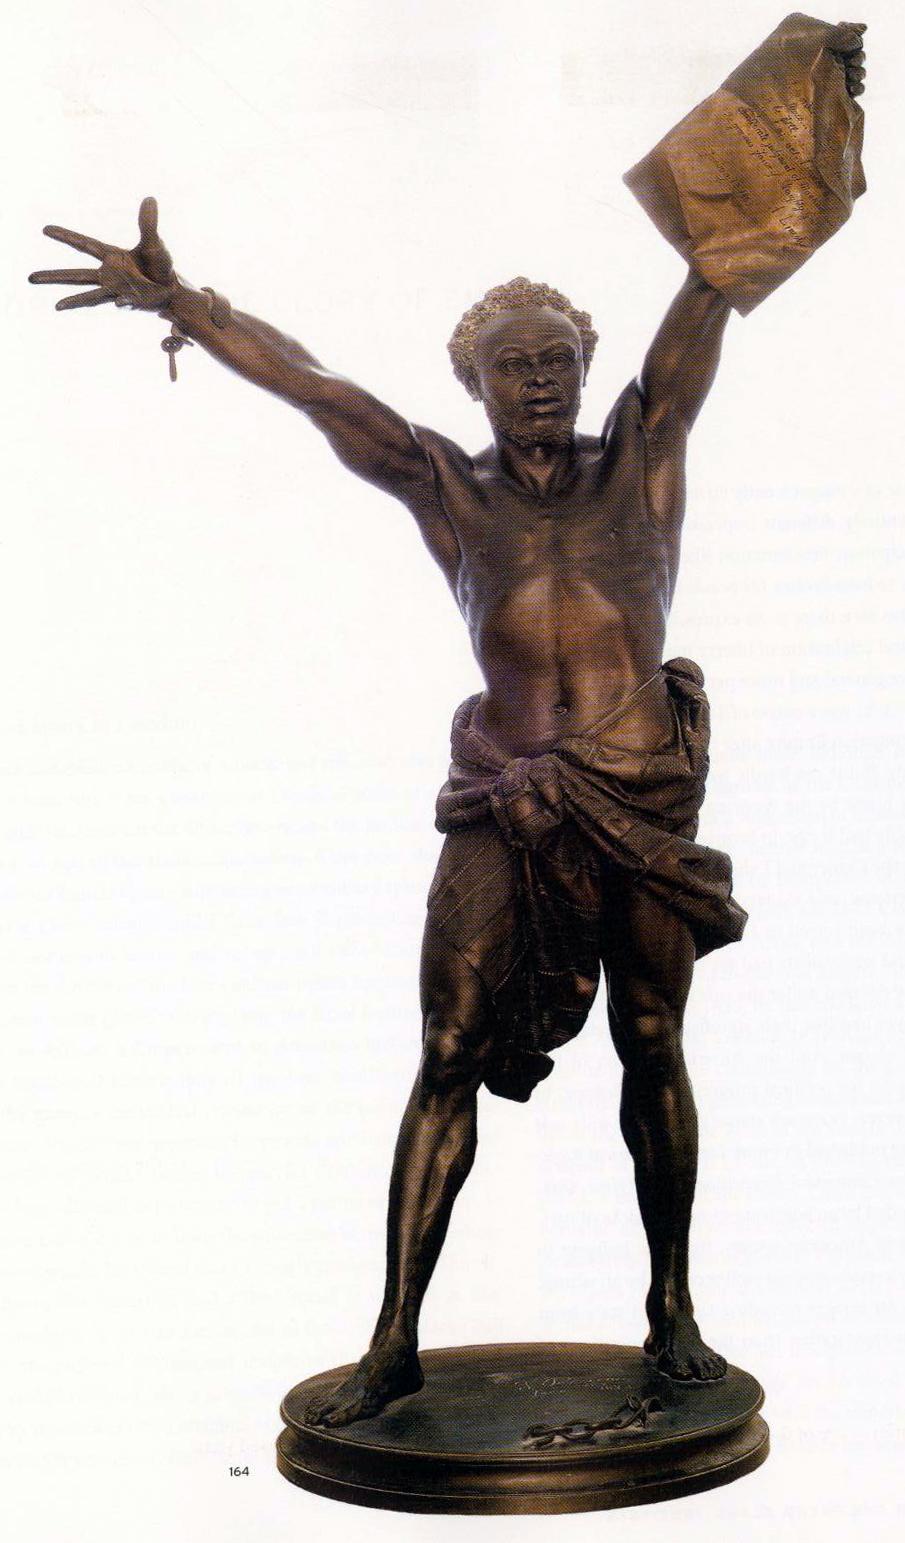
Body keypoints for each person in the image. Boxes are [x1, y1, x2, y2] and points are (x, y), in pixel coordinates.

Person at [27, 30, 865, 1429]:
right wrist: (188, 303)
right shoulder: (444, 489)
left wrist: (798, 104)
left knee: (652, 1038)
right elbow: (313, 387)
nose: (537, 379)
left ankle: (672, 1314)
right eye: (510, 364)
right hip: (504, 796)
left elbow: (708, 287)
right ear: (473, 382)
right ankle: (393, 1341)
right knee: (447, 1048)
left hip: (638, 793)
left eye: (556, 359)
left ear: (586, 369)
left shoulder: (643, 454)